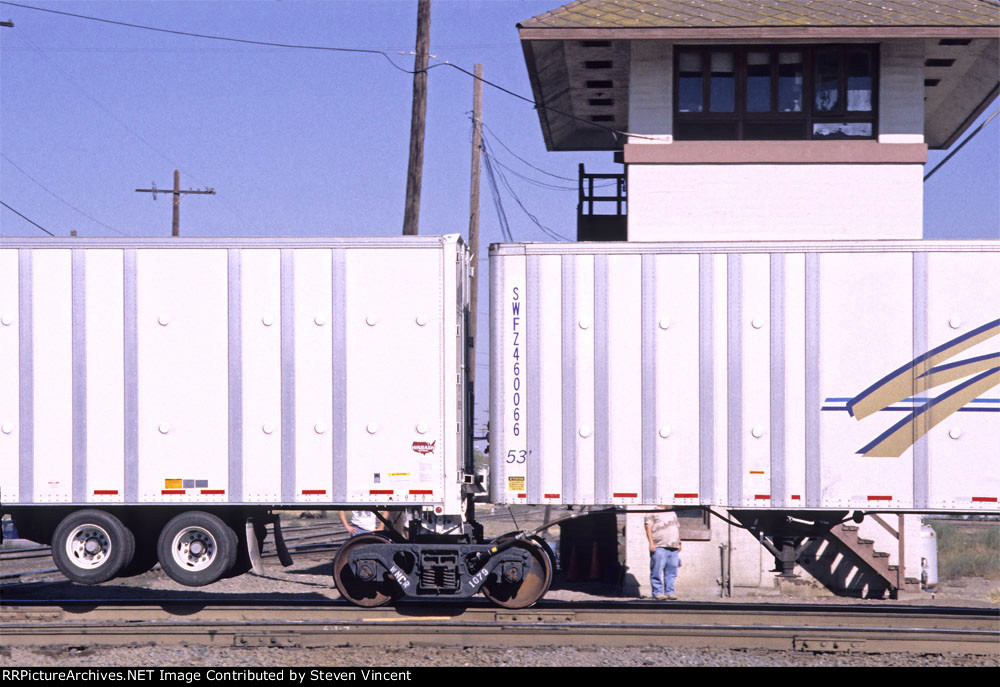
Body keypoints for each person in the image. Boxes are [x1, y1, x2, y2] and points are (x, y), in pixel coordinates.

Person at [644, 506, 681, 600]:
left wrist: (679, 543)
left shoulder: (672, 511)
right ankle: (657, 592)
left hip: (673, 546)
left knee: (672, 571)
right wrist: (651, 543)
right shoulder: (652, 511)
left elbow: (676, 527)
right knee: (657, 570)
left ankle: (670, 592)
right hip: (659, 546)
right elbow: (648, 527)